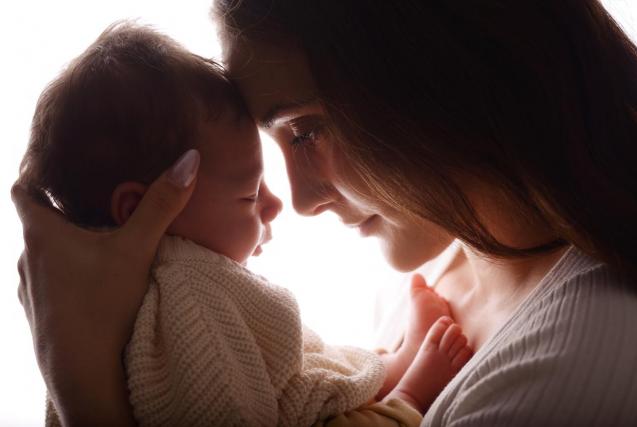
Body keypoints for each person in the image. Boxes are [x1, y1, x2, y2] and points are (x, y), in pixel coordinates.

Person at [12, 0, 637, 425]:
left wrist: (84, 388)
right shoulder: (448, 252)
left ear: (441, 72)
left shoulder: (560, 373)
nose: (304, 203)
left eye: (306, 131)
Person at [20, 22, 472, 426]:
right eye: (250, 194)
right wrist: (409, 394)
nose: (280, 205)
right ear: (143, 208)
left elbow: (292, 381)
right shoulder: (187, 297)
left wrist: (388, 363)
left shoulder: (109, 305)